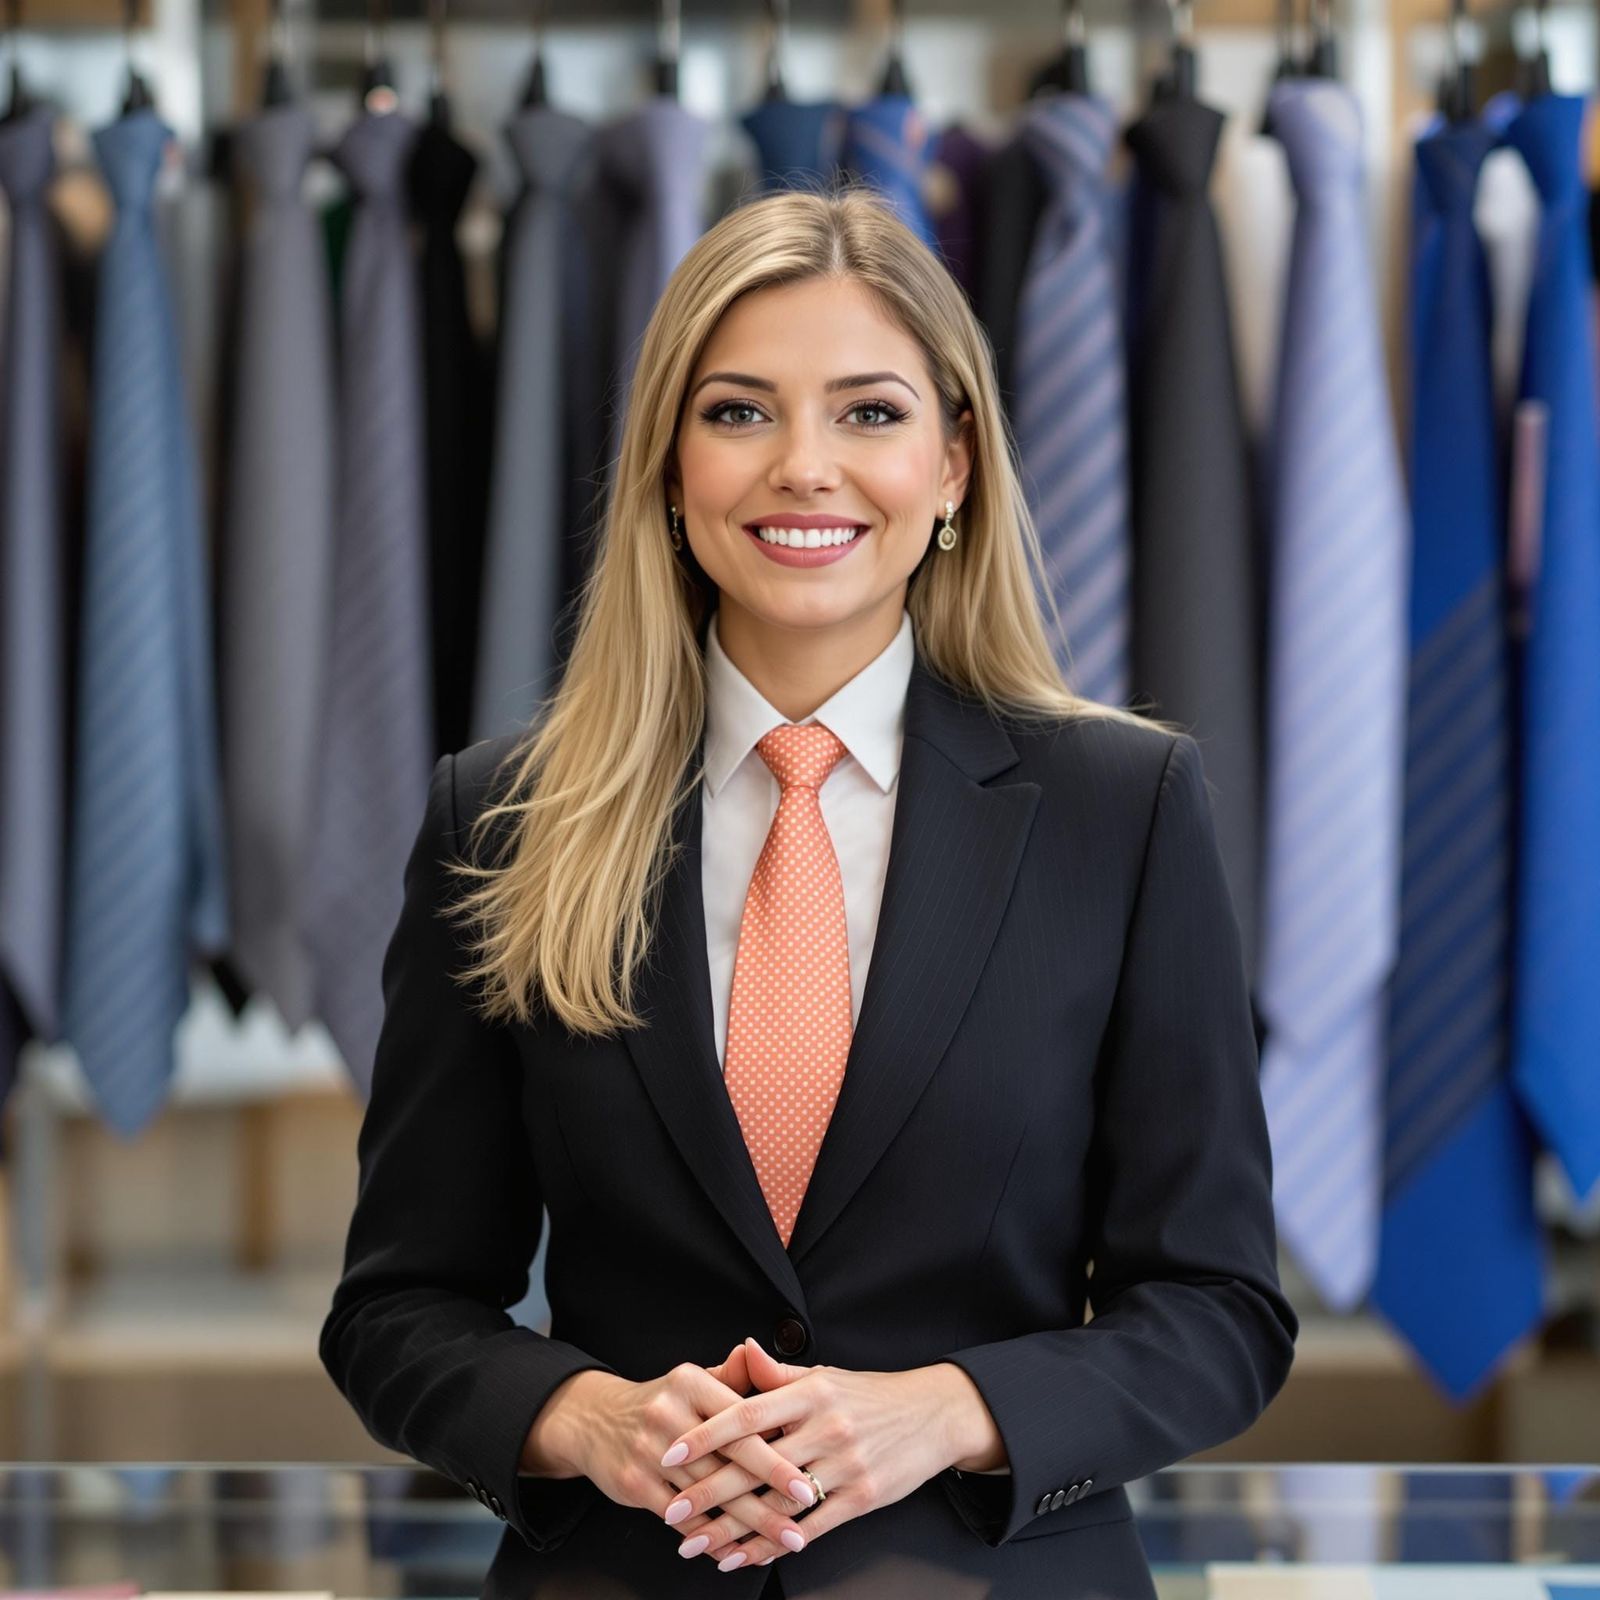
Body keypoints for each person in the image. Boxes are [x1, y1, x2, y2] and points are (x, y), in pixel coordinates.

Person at [319, 182, 1298, 1600]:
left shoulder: (1121, 809)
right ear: (666, 462)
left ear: (955, 463)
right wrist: (584, 1421)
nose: (803, 467)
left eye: (871, 413)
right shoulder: (503, 818)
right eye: (738, 412)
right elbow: (398, 1308)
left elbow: (1218, 1312)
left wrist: (949, 1413)